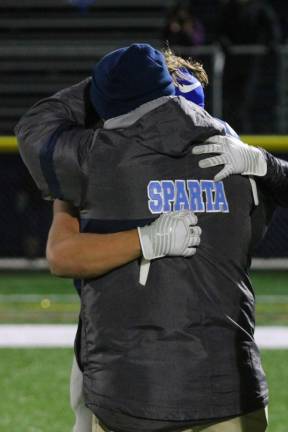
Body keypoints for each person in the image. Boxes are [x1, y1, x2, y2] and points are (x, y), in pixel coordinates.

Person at [15, 43, 288, 432]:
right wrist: (267, 164)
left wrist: (105, 83)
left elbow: (36, 126)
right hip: (230, 387)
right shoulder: (233, 151)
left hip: (134, 391)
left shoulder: (97, 158)